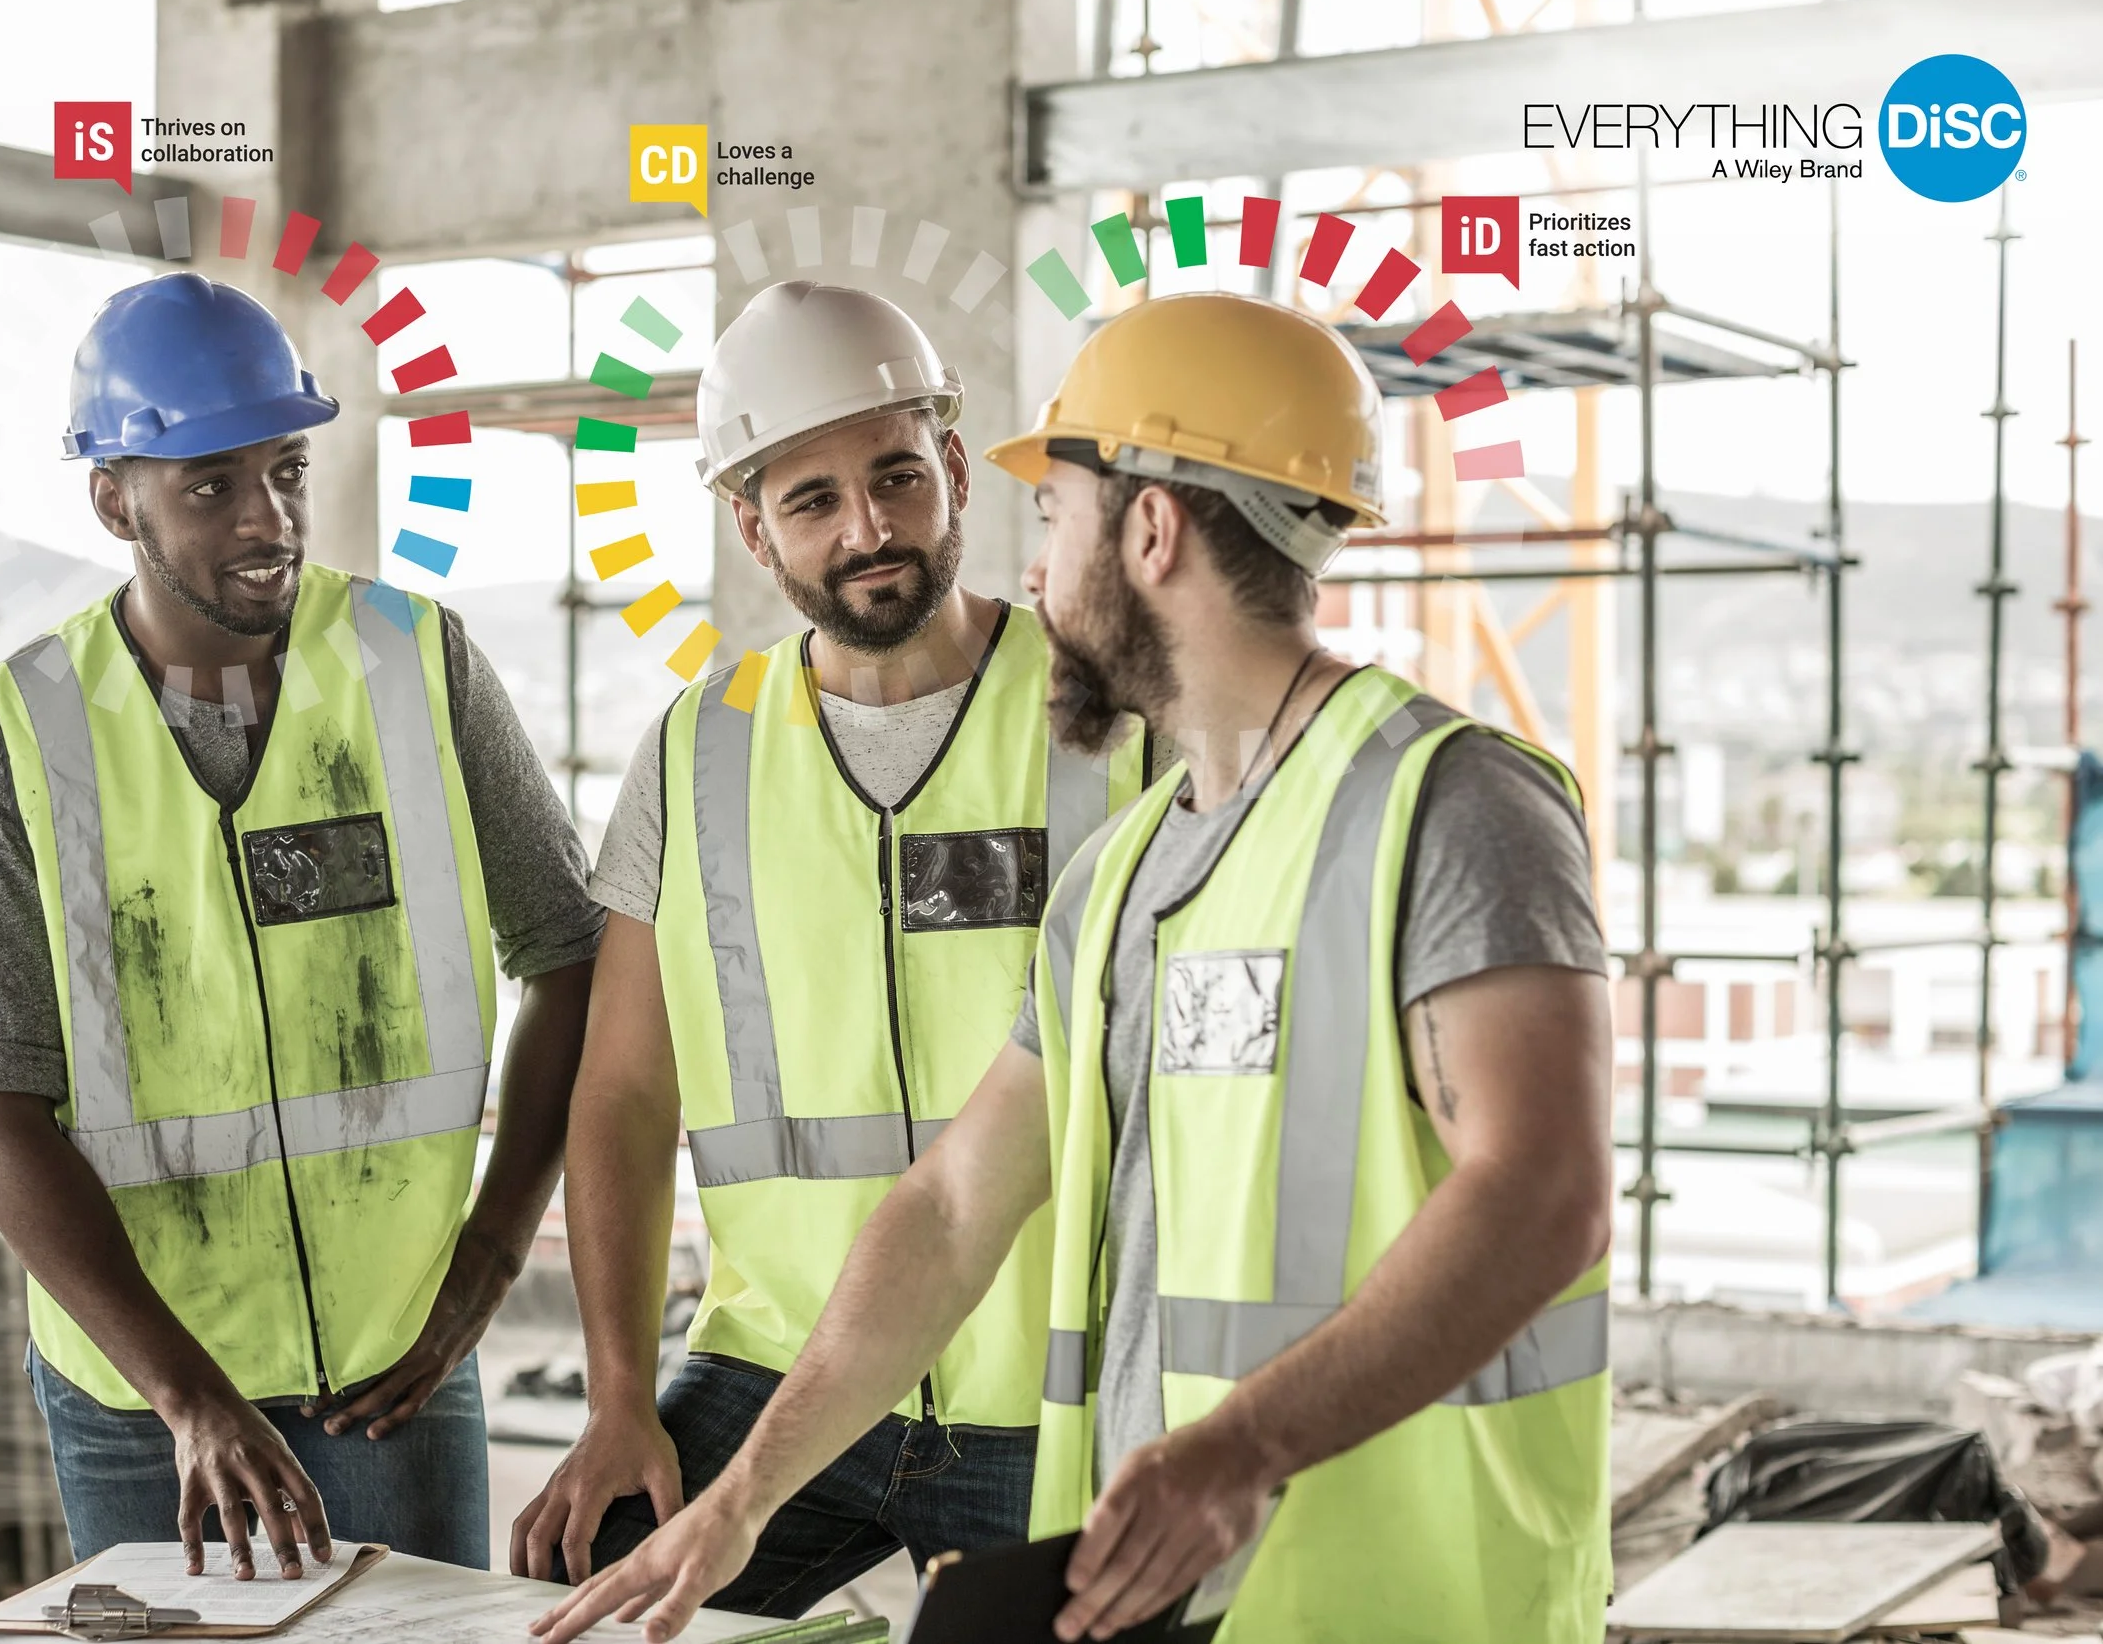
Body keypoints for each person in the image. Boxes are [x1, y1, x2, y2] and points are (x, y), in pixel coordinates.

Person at [531, 291, 1614, 1644]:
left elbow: (1544, 1190)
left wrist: (1239, 1447)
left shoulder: (1451, 804)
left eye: (1061, 518)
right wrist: (742, 1496)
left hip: (1421, 1586)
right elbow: (950, 1209)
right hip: (1178, 1554)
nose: (1034, 571)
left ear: (1149, 531)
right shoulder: (1124, 877)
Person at [0, 272, 602, 1580]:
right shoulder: (20, 735)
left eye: (286, 473)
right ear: (114, 498)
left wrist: (491, 1257)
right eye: (211, 486)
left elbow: (570, 953)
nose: (268, 520)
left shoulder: (418, 664)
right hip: (140, 1400)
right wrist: (185, 1397)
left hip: (390, 1372)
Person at [509, 281, 1150, 1616]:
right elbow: (625, 1094)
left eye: (898, 477)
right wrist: (621, 1396)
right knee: (578, 1600)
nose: (871, 529)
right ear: (752, 528)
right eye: (812, 500)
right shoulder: (697, 752)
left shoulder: (1113, 719)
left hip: (1047, 1374)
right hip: (774, 1368)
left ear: (956, 471)